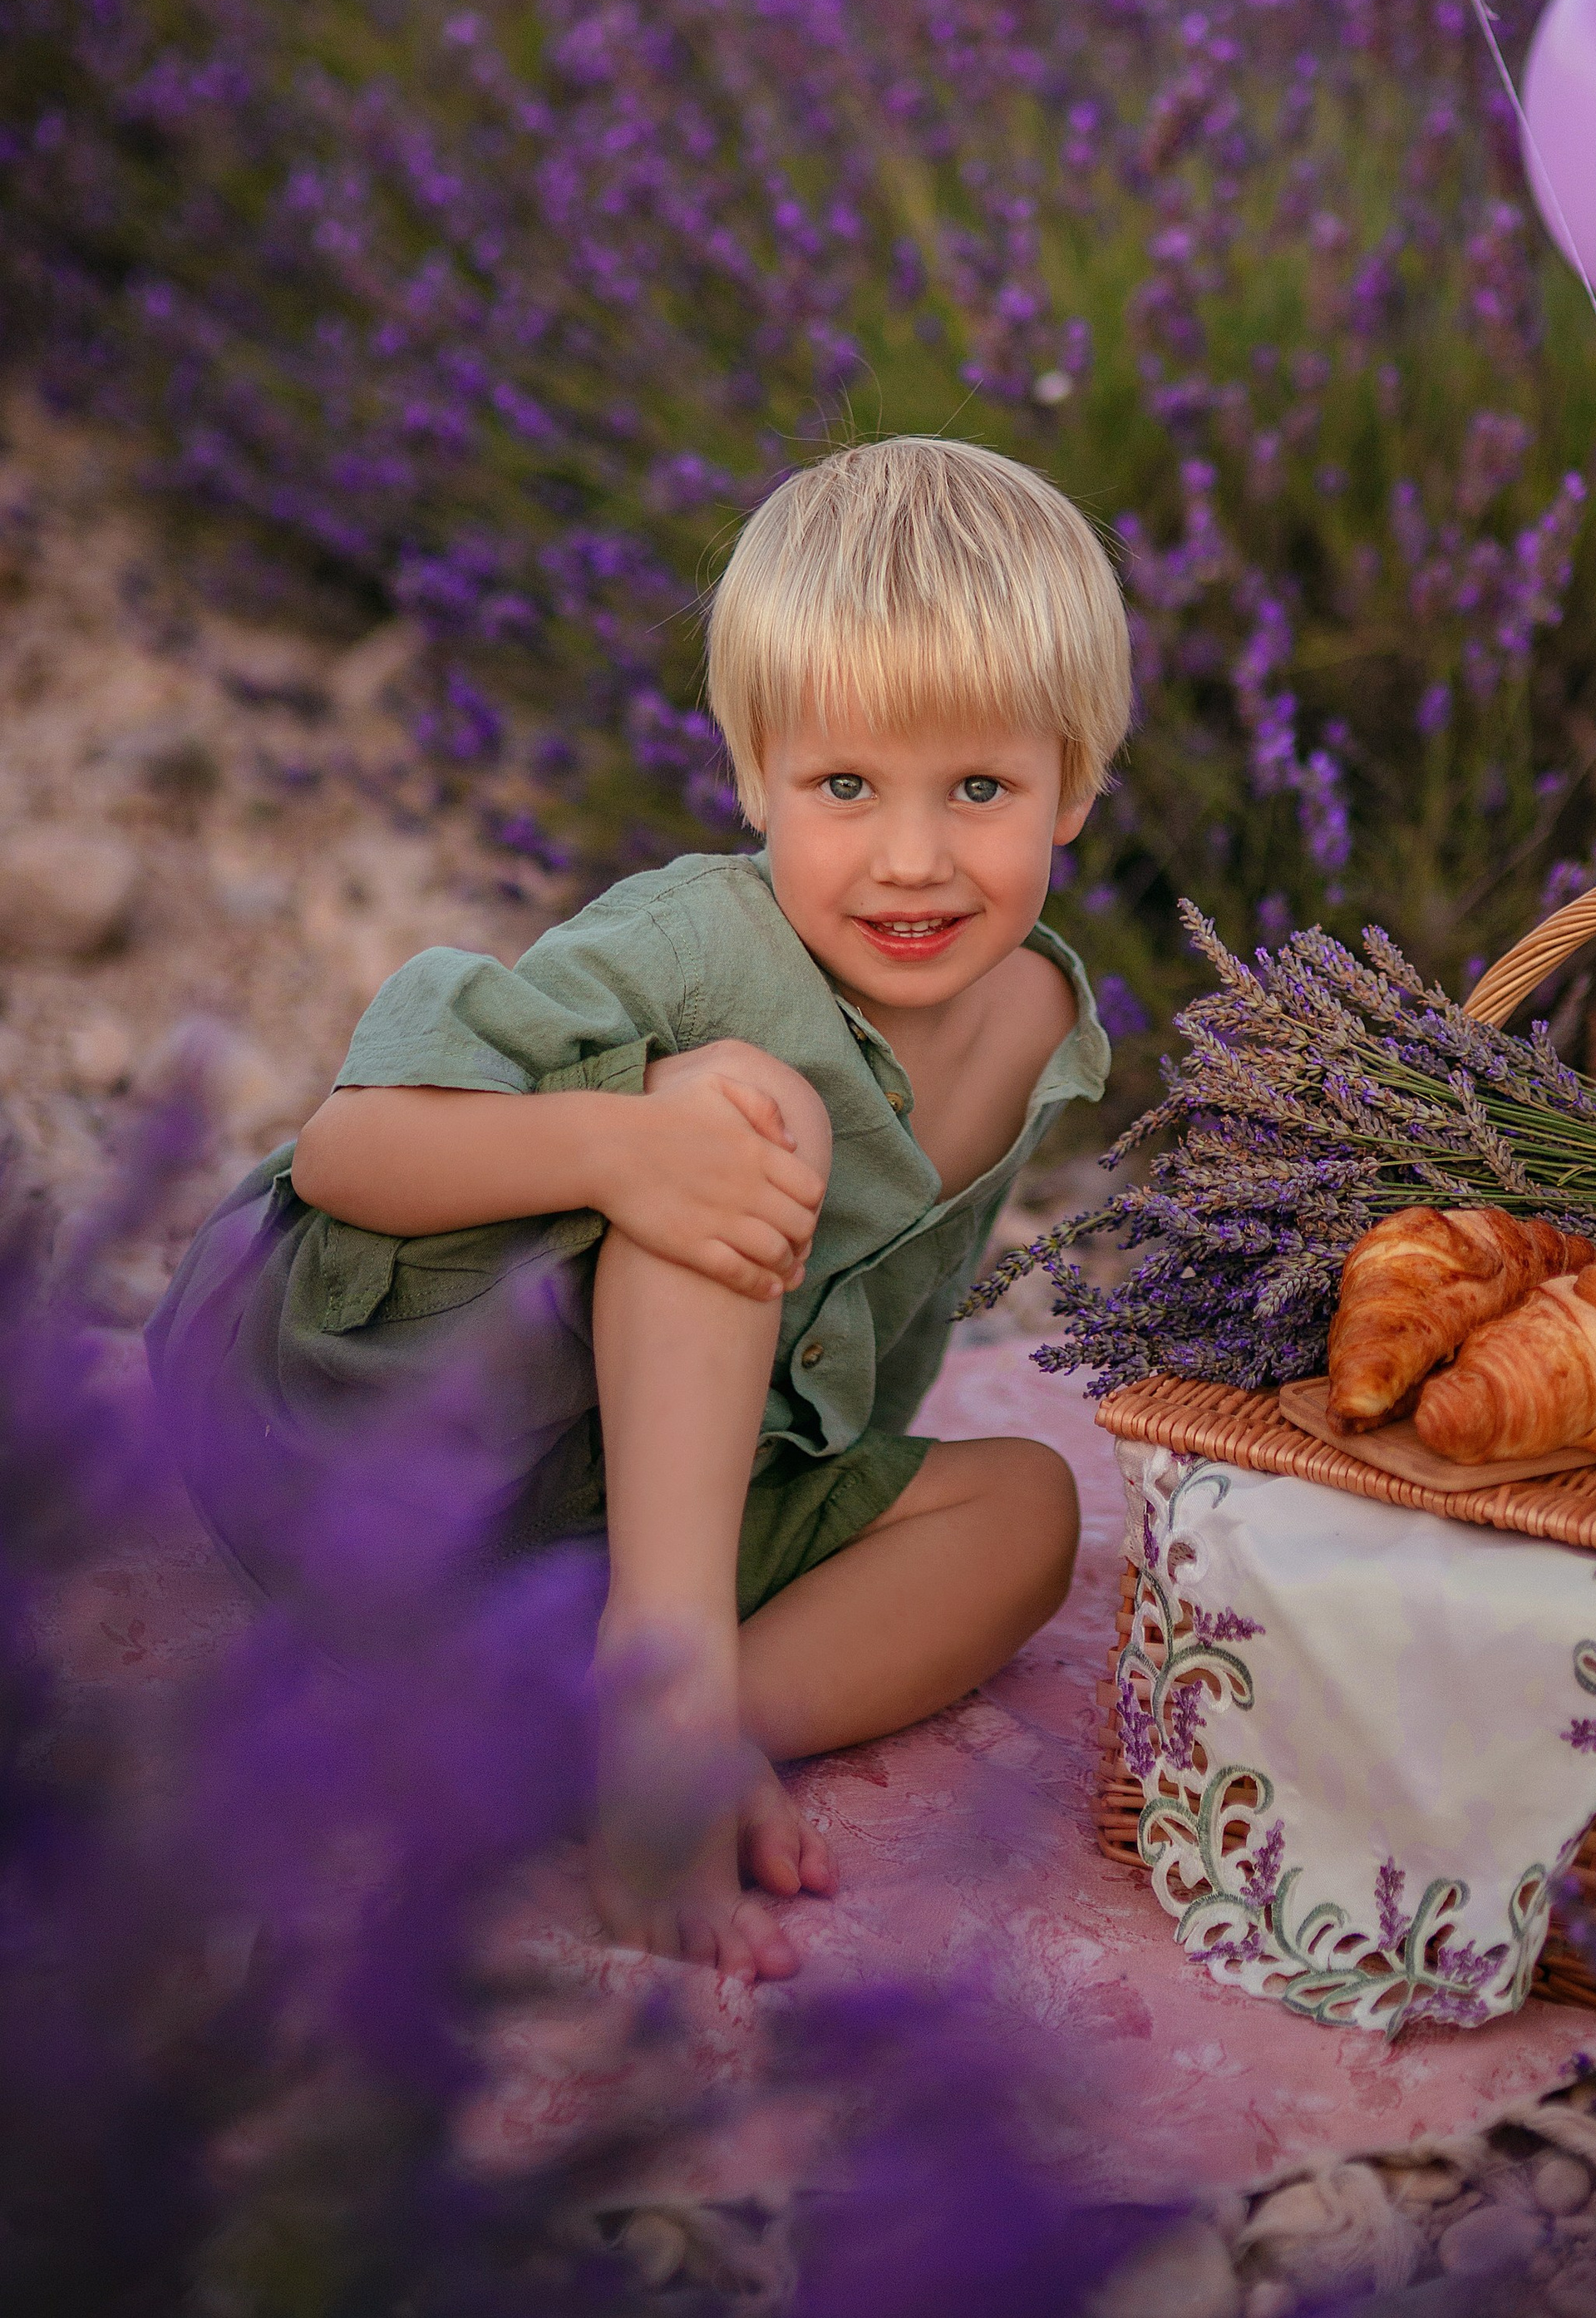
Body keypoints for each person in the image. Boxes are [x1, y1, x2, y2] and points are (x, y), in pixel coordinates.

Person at [148, 437, 1130, 1978]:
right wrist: (619, 1149)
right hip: (365, 1417)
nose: (914, 856)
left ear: (1078, 784)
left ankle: (617, 1725)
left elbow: (846, 1364)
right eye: (846, 784)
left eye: (983, 786)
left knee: (1026, 1510)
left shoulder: (1035, 1034)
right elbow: (349, 1151)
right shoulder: (686, 946)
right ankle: (663, 1677)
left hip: (600, 1505)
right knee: (744, 1110)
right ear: (754, 775)